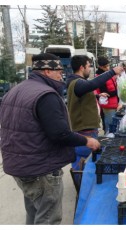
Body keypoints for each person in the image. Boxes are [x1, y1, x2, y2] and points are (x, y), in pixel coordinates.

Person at [0, 53, 101, 224]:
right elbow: (59, 133)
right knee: (48, 219)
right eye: (58, 70)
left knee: (34, 214)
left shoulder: (16, 90)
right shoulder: (46, 95)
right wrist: (87, 141)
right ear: (47, 71)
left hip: (20, 166)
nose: (61, 74)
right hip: (40, 169)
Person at [66, 55, 123, 170]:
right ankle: (83, 183)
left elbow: (81, 96)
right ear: (82, 67)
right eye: (88, 66)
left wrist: (97, 95)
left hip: (84, 129)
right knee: (85, 162)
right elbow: (93, 84)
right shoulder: (77, 82)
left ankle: (81, 179)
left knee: (82, 160)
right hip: (85, 131)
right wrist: (112, 72)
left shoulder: (75, 82)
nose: (90, 69)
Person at [95, 56, 122, 135]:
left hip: (114, 103)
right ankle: (108, 139)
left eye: (108, 65)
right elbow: (105, 93)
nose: (107, 68)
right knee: (110, 124)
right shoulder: (99, 77)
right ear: (100, 66)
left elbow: (113, 85)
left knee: (113, 123)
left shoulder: (108, 73)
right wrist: (118, 91)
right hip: (108, 105)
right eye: (105, 66)